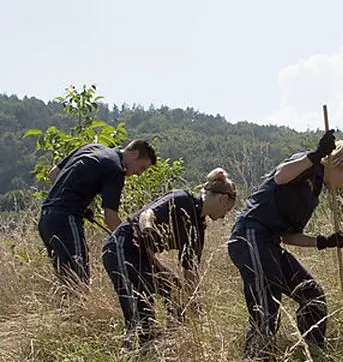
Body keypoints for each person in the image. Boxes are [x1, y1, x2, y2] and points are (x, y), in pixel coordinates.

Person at [227, 133, 343, 360]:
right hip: (251, 235)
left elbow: (289, 236)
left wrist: (322, 241)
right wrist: (316, 155)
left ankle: (314, 352)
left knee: (312, 294)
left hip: (271, 241)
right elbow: (280, 176)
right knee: (266, 300)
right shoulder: (305, 164)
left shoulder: (316, 188)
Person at [101, 168, 238, 349]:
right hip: (121, 248)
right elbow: (147, 215)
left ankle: (173, 338)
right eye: (227, 210)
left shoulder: (197, 227)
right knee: (141, 310)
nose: (224, 217)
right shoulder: (181, 199)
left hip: (143, 256)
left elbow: (190, 271)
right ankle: (137, 350)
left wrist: (193, 303)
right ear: (223, 199)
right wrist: (148, 228)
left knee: (175, 288)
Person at [38, 139, 157, 289]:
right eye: (142, 168)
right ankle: (76, 312)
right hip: (66, 219)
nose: (139, 174)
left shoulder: (91, 147)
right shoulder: (116, 169)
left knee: (67, 280)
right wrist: (131, 241)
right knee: (79, 282)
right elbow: (110, 217)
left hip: (46, 218)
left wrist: (79, 202)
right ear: (134, 154)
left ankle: (66, 312)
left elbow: (53, 174)